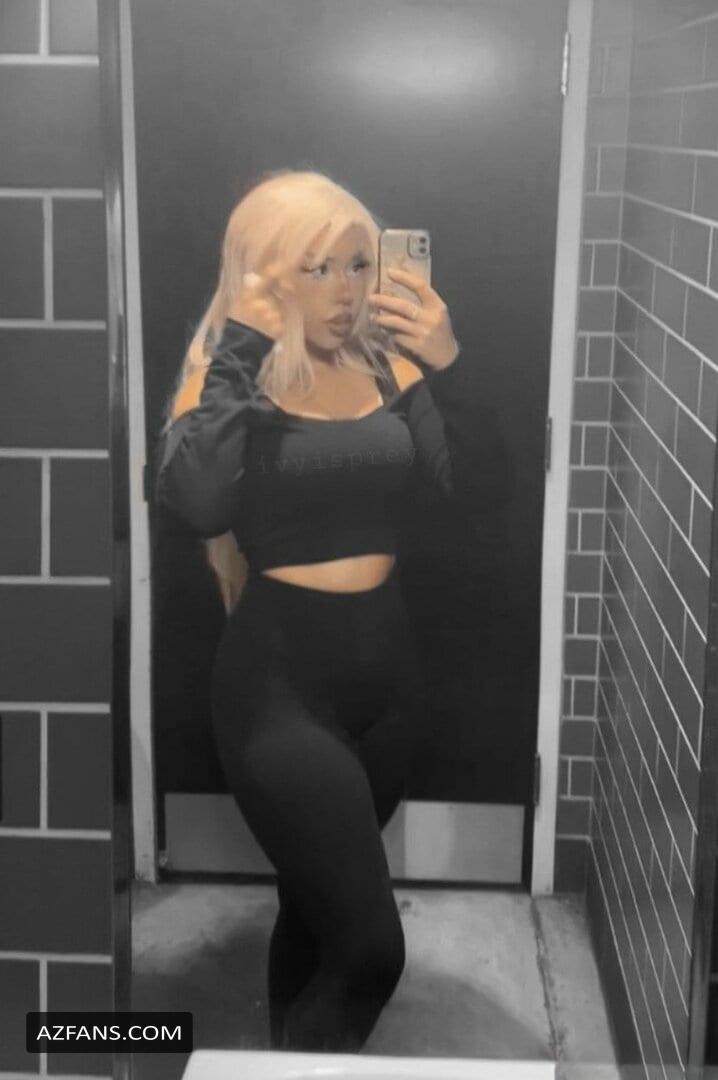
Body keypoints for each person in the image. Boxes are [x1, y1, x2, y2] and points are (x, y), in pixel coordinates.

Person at [153, 167, 510, 1052]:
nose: (346, 291)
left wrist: (450, 362)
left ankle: (292, 1057)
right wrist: (241, 346)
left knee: (315, 907)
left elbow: (479, 489)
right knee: (370, 950)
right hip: (279, 690)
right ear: (263, 273)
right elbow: (197, 505)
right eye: (317, 269)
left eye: (358, 264)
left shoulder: (387, 365)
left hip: (389, 683)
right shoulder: (231, 377)